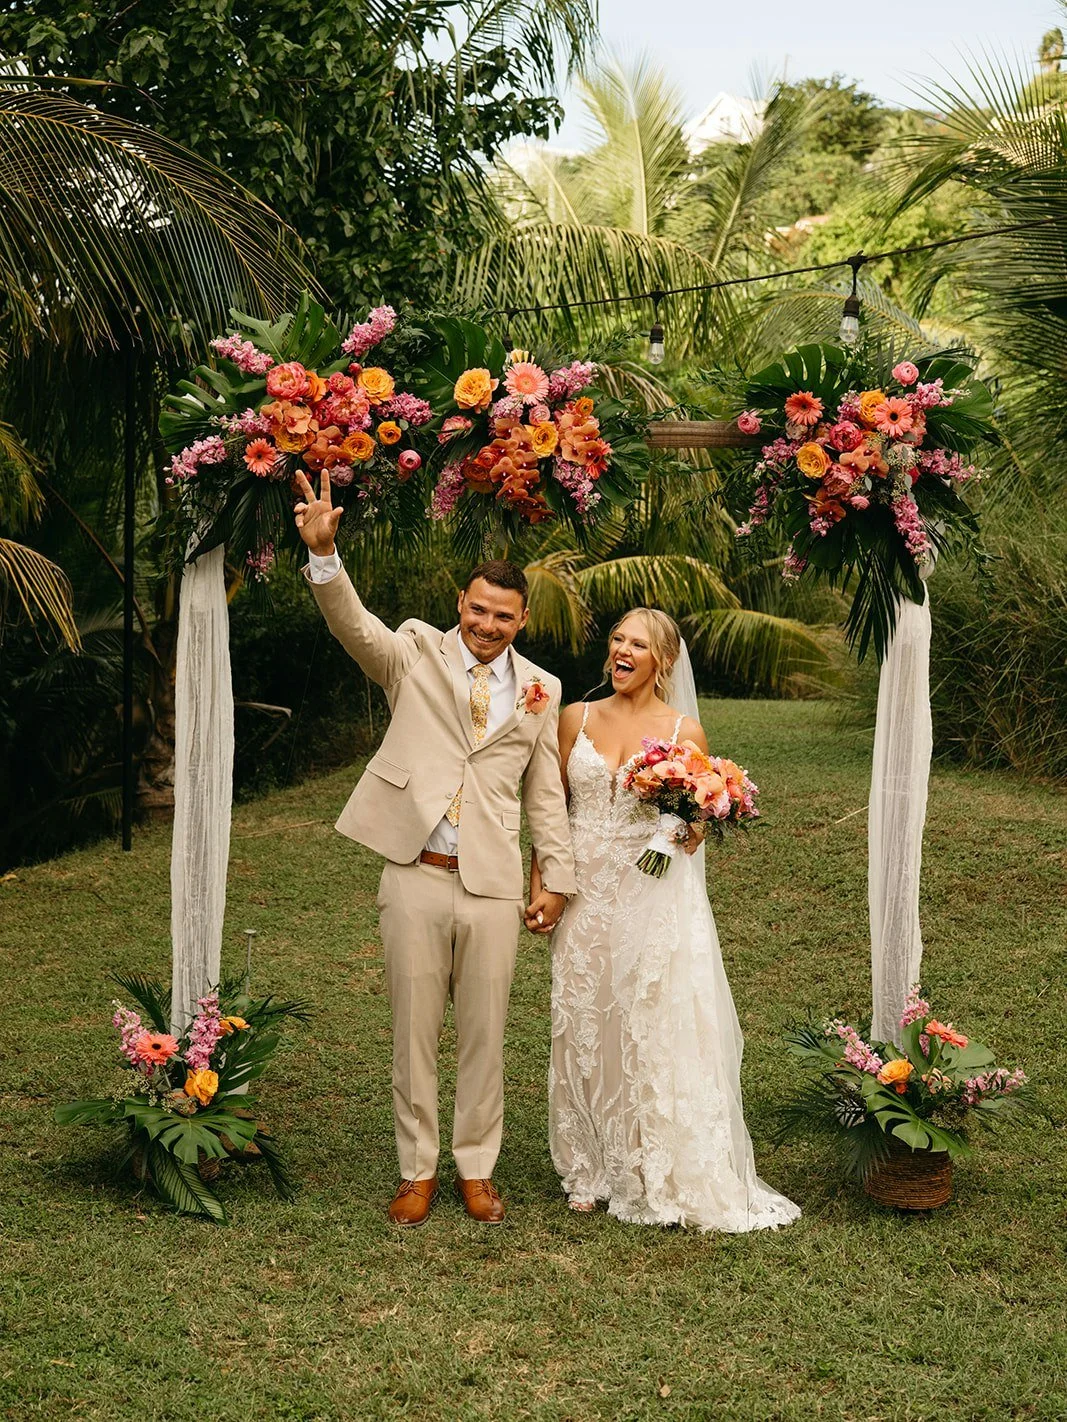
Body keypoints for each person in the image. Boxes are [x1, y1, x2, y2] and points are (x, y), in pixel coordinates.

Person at [293, 469, 576, 1227]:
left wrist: (555, 877)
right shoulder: (413, 652)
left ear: (522, 620)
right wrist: (325, 557)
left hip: (490, 883)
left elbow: (544, 793)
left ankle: (475, 1170)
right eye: (478, 609)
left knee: (485, 1036)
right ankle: (416, 1171)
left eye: (503, 616)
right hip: (414, 873)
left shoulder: (542, 689)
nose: (487, 624)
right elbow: (354, 627)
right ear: (461, 604)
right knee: (412, 1033)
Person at [539, 607, 800, 1231]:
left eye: (639, 644)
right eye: (618, 640)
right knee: (582, 1017)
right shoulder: (574, 717)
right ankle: (587, 1166)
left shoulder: (684, 732)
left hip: (650, 893)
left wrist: (689, 829)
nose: (623, 651)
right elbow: (551, 813)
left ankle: (647, 1162)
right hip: (584, 890)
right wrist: (545, 885)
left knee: (646, 1017)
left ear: (663, 661)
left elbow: (698, 819)